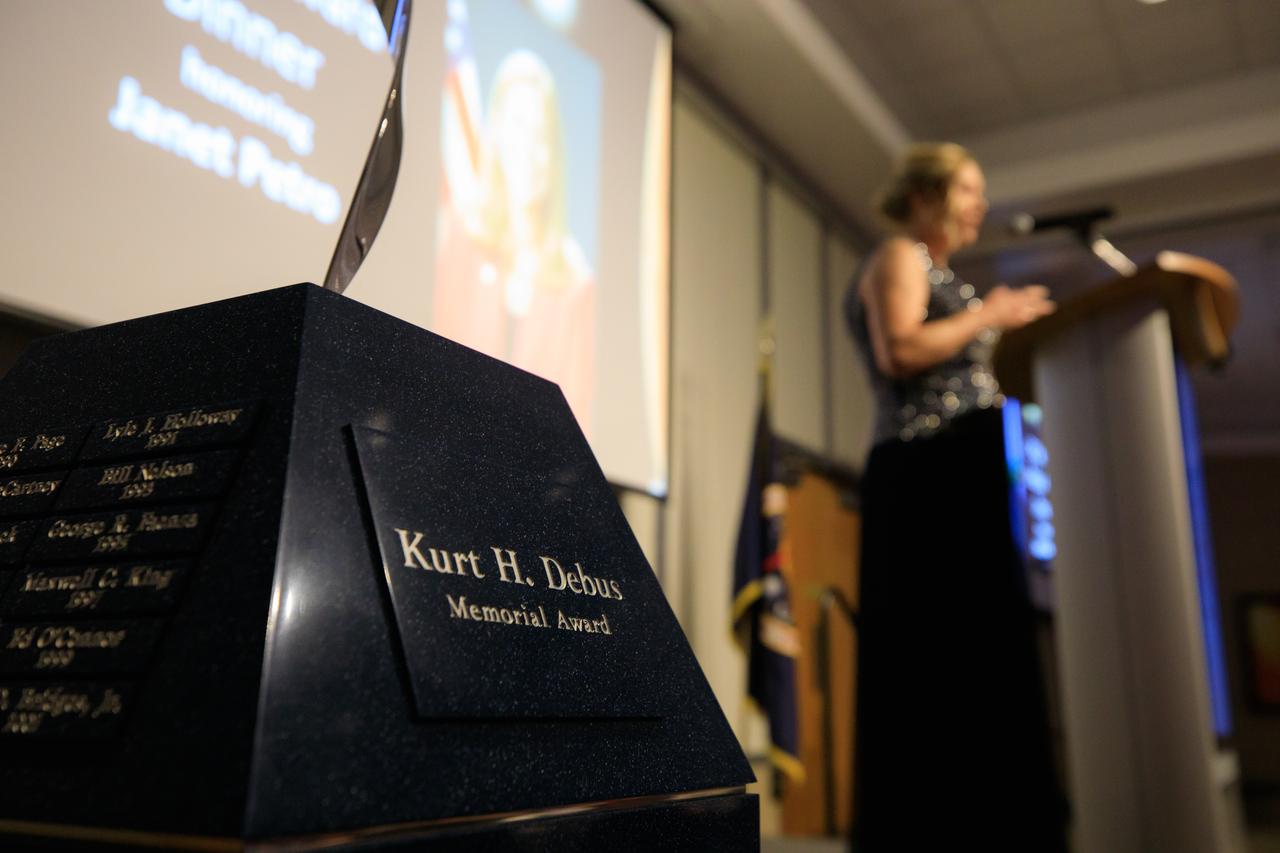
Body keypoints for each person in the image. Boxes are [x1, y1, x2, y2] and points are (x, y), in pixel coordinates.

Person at [845, 143, 1068, 851]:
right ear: (924, 196)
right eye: (967, 189)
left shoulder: (941, 272)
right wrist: (990, 314)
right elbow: (902, 351)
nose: (980, 203)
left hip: (965, 475)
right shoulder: (898, 258)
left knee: (981, 662)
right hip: (923, 477)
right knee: (930, 660)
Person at [434, 50, 595, 431]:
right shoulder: (463, 237)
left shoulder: (577, 285)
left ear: (554, 151)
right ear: (498, 135)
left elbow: (578, 427)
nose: (529, 148)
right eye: (519, 126)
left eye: (540, 133)